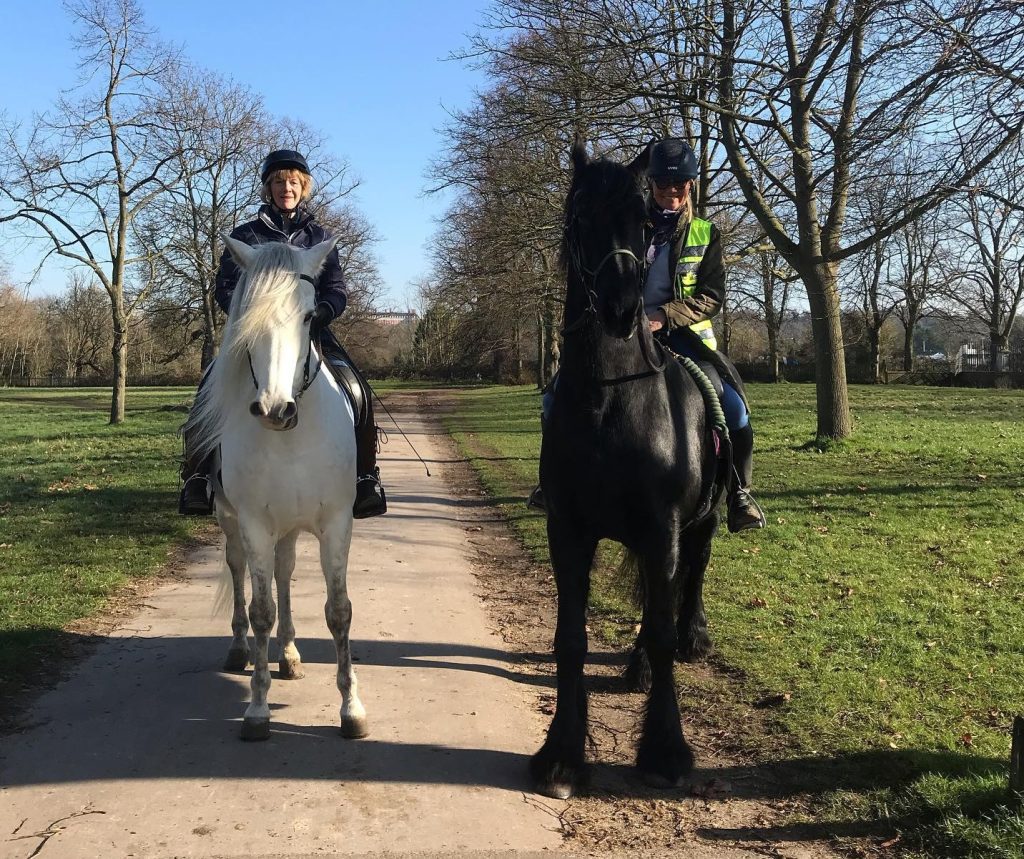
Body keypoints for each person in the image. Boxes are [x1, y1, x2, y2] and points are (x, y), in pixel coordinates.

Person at [529, 138, 765, 533]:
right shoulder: (631, 218)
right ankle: (549, 484)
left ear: (690, 186)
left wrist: (663, 316)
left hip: (685, 337)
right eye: (662, 186)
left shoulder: (706, 233)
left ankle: (740, 492)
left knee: (734, 407)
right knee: (555, 396)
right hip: (624, 331)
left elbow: (711, 296)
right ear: (650, 185)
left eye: (679, 186)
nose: (671, 193)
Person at [178, 148, 387, 519]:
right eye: (278, 182)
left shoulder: (319, 236)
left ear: (303, 187)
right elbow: (225, 287)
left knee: (357, 388)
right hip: (257, 336)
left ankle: (365, 476)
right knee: (208, 385)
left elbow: (336, 288)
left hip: (310, 332)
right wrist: (249, 314)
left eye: (293, 182)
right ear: (268, 188)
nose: (285, 188)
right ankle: (197, 475)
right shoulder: (246, 235)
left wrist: (324, 311)